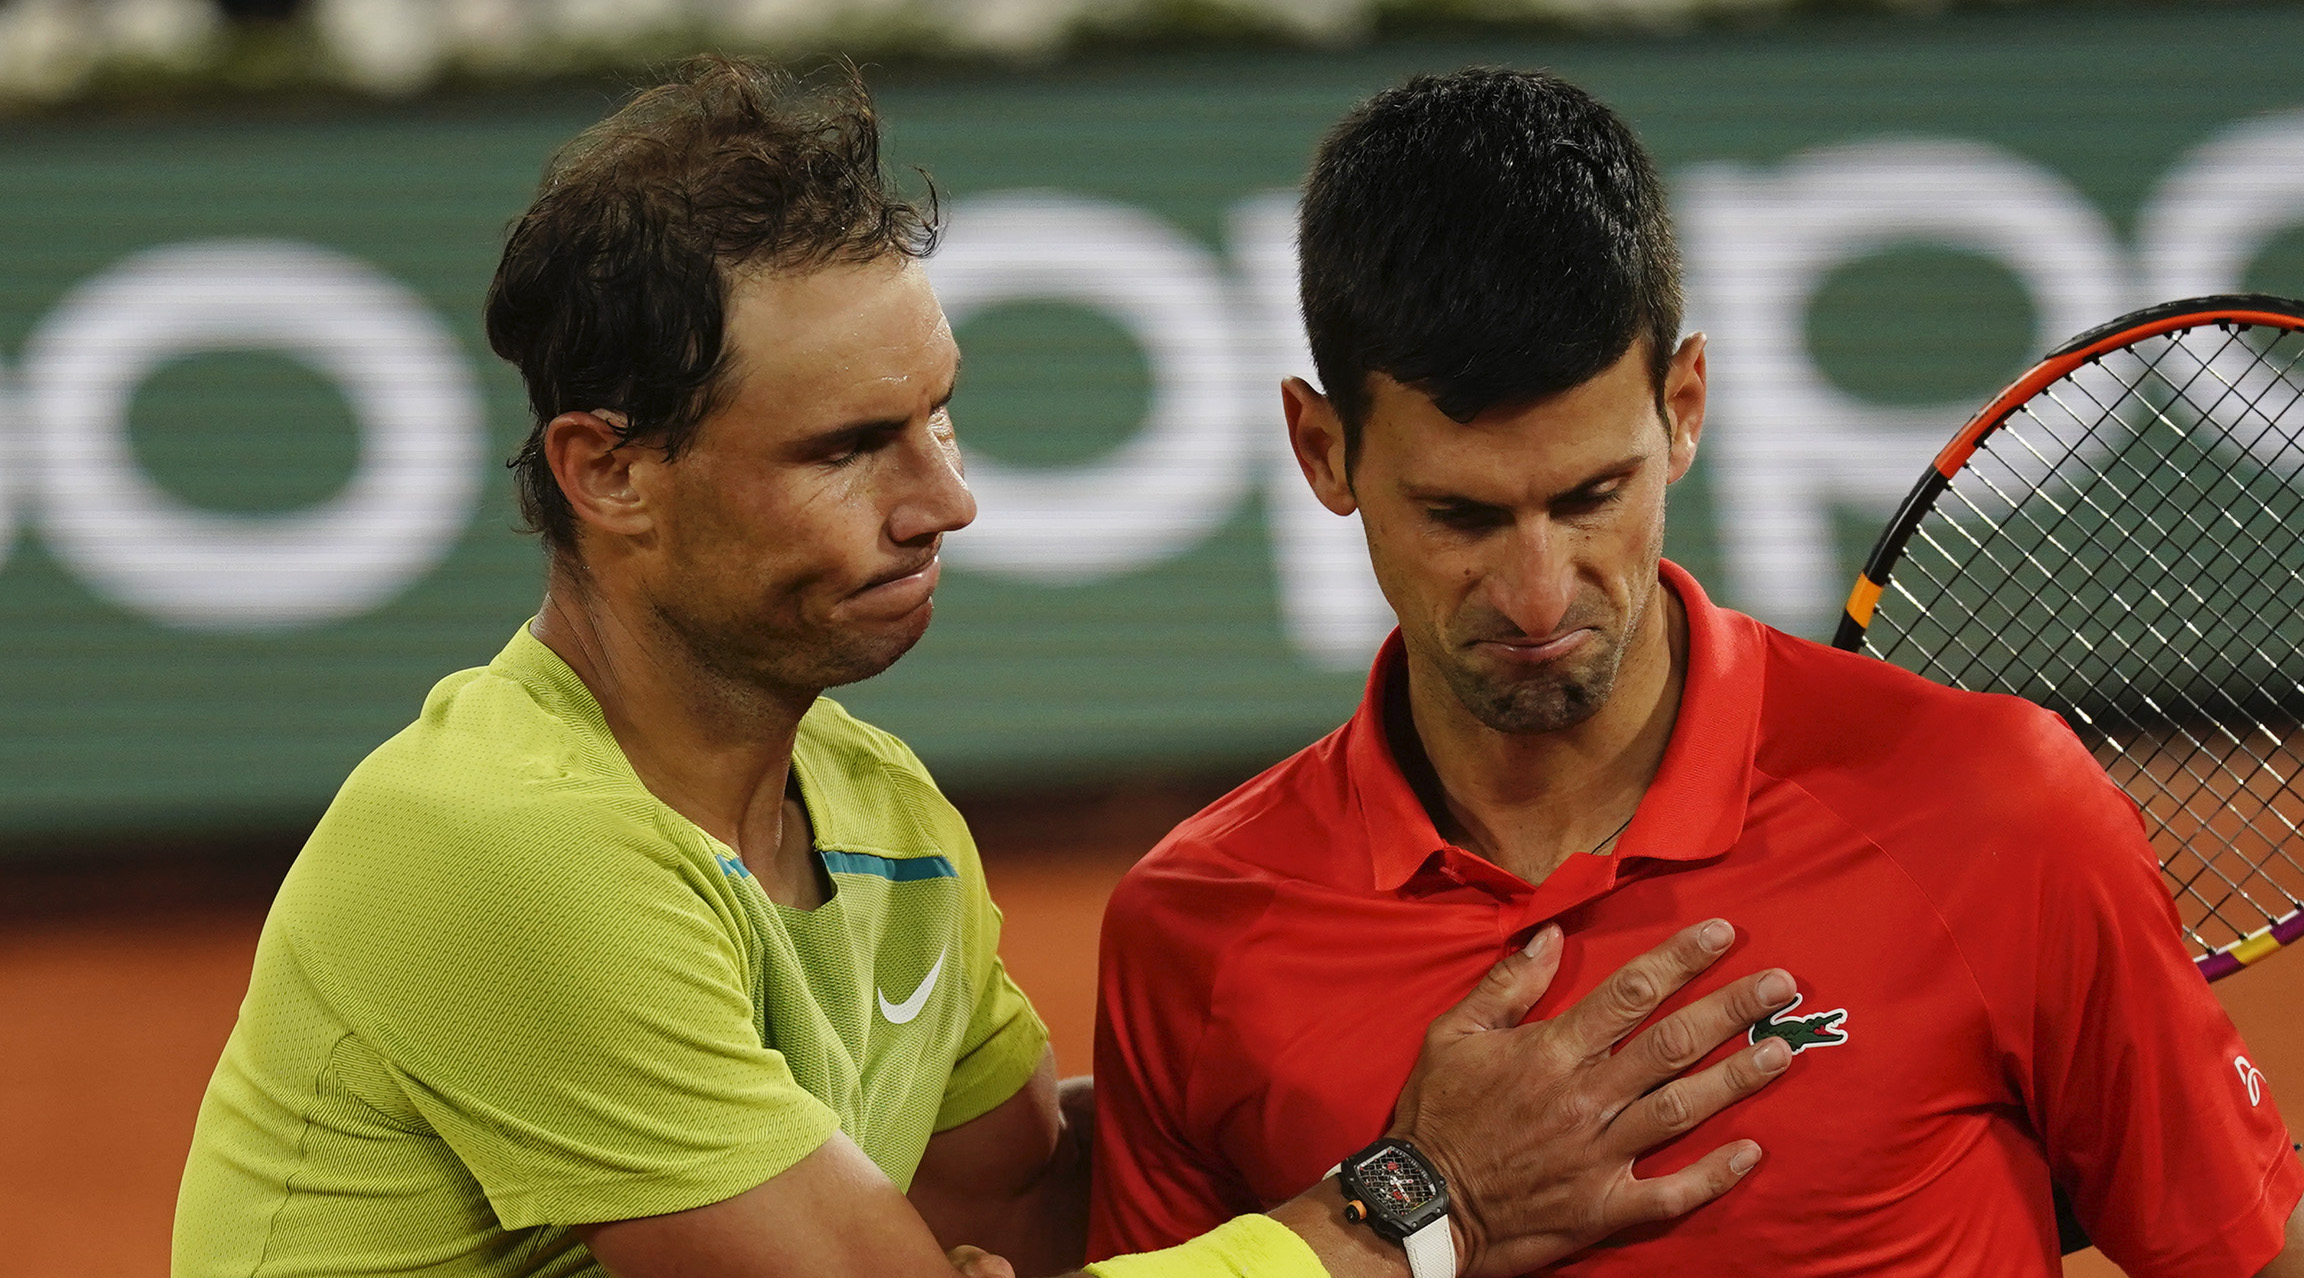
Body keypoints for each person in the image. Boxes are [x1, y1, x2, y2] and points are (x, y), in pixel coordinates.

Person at [171, 57, 1803, 1278]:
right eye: (848, 446)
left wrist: (1346, 1011)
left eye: (936, 414)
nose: (942, 496)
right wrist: (1413, 1199)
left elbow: (1028, 1195)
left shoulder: (876, 816)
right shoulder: (504, 846)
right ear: (607, 472)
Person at [1088, 66, 2304, 1278]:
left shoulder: (1997, 812)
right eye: (1460, 516)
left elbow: (2238, 1250)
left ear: (1683, 408)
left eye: (1591, 497)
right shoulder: (1194, 935)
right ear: (1321, 449)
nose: (1539, 593)